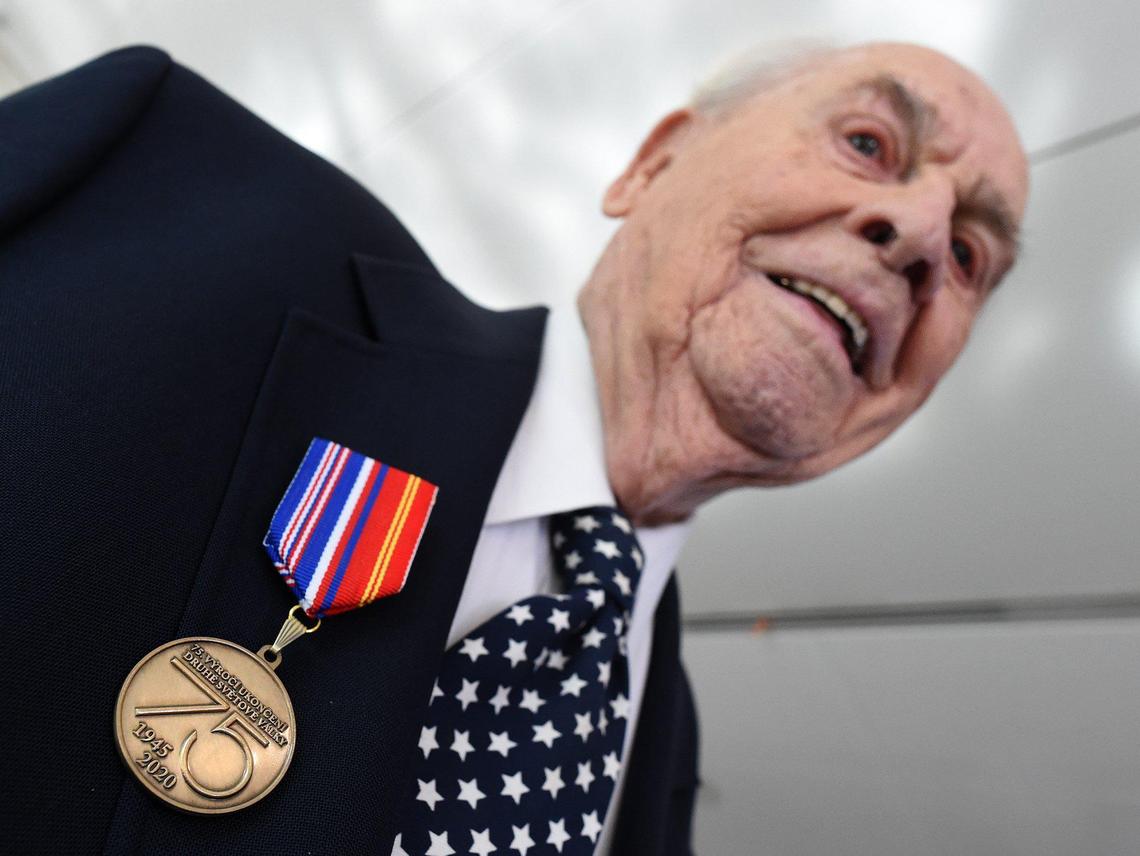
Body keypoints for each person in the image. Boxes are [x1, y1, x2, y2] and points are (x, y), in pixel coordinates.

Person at [0, 40, 1026, 855]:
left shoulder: (663, 765)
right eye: (868, 143)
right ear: (652, 164)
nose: (923, 234)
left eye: (974, 254)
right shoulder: (167, 182)